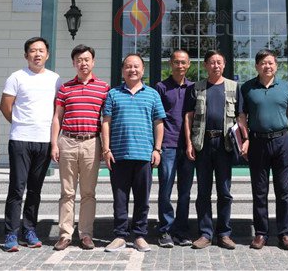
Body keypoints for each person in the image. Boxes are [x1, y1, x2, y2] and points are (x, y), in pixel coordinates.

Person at [0, 37, 61, 252]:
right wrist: (21, 124)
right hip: (20, 139)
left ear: (47, 55)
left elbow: (57, 109)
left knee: (35, 189)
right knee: (17, 188)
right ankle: (10, 233)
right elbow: (5, 106)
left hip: (44, 140)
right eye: (33, 50)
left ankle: (29, 230)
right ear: (26, 55)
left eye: (41, 50)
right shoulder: (16, 77)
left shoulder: (55, 79)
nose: (37, 54)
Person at [101, 54, 166, 253]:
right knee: (120, 199)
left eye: (136, 66)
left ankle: (139, 235)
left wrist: (157, 149)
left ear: (143, 70)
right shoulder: (113, 94)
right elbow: (106, 122)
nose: (132, 70)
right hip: (118, 155)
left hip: (144, 155)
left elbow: (159, 123)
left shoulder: (152, 94)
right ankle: (120, 235)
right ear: (123, 71)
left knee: (142, 199)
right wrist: (106, 149)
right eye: (128, 66)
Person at [50, 44, 109, 251]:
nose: (83, 63)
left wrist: (105, 146)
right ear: (74, 63)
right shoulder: (65, 88)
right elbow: (57, 118)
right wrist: (54, 143)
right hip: (67, 141)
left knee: (88, 192)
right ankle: (65, 234)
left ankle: (86, 234)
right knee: (67, 192)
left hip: (92, 143)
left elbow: (106, 120)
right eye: (79, 60)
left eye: (86, 59)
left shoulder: (104, 88)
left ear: (93, 62)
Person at [239, 49, 288, 251]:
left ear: (276, 66)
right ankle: (261, 233)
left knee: (283, 191)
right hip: (258, 142)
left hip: (282, 141)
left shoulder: (285, 86)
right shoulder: (247, 88)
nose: (267, 66)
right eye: (263, 63)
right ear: (257, 66)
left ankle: (285, 234)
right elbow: (242, 117)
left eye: (271, 63)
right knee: (259, 191)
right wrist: (245, 139)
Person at [185, 50, 239, 250]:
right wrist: (189, 143)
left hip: (225, 145)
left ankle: (224, 234)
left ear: (224, 65)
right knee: (203, 192)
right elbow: (189, 116)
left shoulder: (233, 87)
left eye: (219, 62)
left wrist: (244, 140)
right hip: (203, 143)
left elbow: (241, 117)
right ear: (205, 65)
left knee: (224, 192)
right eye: (212, 62)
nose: (216, 66)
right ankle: (205, 233)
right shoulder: (197, 87)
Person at [154, 50, 195, 248]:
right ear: (171, 64)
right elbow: (157, 118)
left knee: (185, 191)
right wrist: (157, 146)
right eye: (177, 62)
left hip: (188, 146)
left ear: (189, 64)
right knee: (166, 189)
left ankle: (181, 230)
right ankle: (165, 230)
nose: (180, 66)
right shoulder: (161, 87)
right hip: (168, 144)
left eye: (183, 62)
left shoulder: (193, 88)